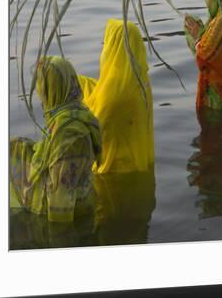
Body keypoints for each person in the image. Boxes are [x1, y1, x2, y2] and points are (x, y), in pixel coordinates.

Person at [9, 56, 102, 223]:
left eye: (42, 89)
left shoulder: (70, 136)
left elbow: (60, 205)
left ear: (53, 89)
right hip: (78, 199)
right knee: (14, 146)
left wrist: (55, 244)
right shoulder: (72, 113)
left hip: (67, 213)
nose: (40, 95)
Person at [79, 18, 154, 174]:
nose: (104, 48)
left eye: (107, 43)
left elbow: (94, 123)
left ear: (115, 46)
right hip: (137, 164)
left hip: (115, 171)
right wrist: (77, 80)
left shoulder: (115, 95)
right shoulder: (139, 79)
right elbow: (102, 91)